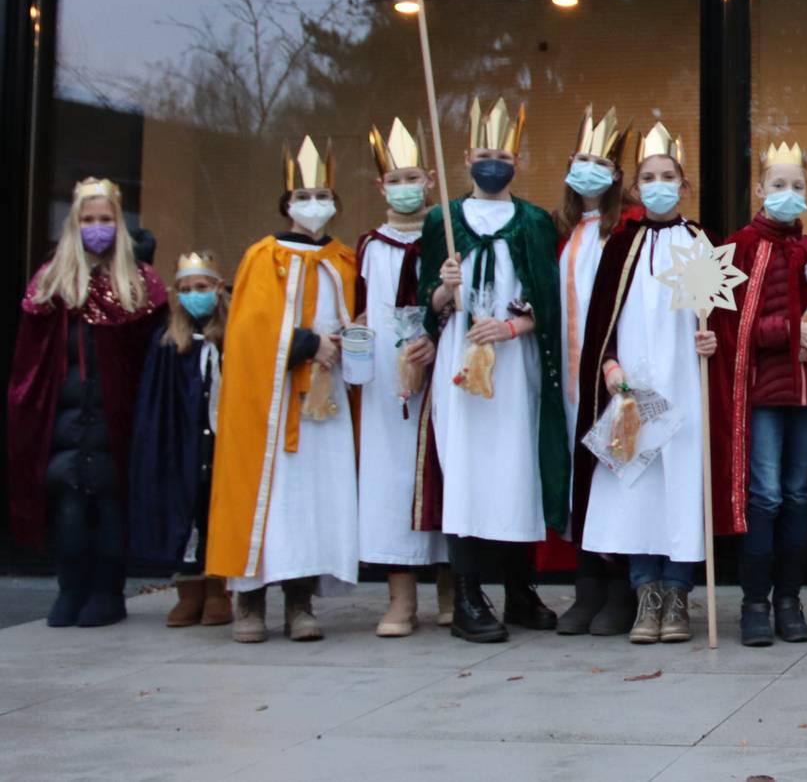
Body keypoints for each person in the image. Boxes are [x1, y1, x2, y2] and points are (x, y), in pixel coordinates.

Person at [419, 98, 569, 643]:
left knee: (514, 471)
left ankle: (519, 588)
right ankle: (466, 593)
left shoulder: (532, 221)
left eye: (502, 153)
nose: (493, 161)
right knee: (468, 472)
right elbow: (425, 306)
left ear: (516, 159)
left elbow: (548, 302)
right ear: (465, 157)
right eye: (484, 152)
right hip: (463, 369)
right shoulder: (442, 220)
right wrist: (444, 287)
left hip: (513, 368)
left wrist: (513, 329)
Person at [207, 140, 361, 642]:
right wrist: (310, 342)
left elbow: (358, 319)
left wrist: (350, 341)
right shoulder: (262, 256)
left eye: (322, 193)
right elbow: (249, 331)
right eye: (303, 193)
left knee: (311, 501)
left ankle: (300, 603)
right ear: (287, 202)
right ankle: (249, 603)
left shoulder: (342, 259)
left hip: (326, 402)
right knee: (266, 498)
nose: (313, 202)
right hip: (270, 402)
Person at [573, 124, 718, 644]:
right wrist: (609, 367)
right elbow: (601, 323)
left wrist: (710, 343)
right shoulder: (620, 247)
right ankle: (645, 596)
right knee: (635, 486)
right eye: (649, 177)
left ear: (683, 185)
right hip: (632, 391)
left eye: (668, 176)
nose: (659, 184)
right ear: (635, 187)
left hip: (683, 389)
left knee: (679, 485)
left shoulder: (701, 242)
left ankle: (677, 595)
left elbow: (717, 313)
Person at [8, 178, 166, 627]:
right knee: (70, 507)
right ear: (73, 226)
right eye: (88, 220)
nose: (97, 228)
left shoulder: (139, 284)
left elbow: (150, 358)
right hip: (63, 418)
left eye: (106, 220)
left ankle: (107, 591)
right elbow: (30, 360)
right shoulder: (51, 282)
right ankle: (70, 588)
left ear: (120, 224)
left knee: (111, 504)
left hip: (117, 417)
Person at [711, 140, 807, 647]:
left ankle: (790, 601)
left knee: (797, 497)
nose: (789, 194)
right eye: (779, 185)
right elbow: (730, 326)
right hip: (763, 395)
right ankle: (754, 605)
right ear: (760, 190)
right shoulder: (739, 247)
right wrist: (788, 330)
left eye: (798, 186)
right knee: (763, 497)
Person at [355, 120, 450, 637]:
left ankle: (451, 588)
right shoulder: (369, 246)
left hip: (441, 370)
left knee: (443, 472)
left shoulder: (449, 234)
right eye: (395, 179)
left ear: (431, 178)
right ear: (381, 187)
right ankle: (400, 596)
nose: (405, 186)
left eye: (413, 176)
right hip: (386, 385)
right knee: (392, 480)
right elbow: (361, 312)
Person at [554, 106, 637, 637]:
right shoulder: (562, 231)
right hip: (569, 378)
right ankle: (586, 589)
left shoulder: (626, 228)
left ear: (616, 175)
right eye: (582, 160)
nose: (590, 171)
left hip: (613, 371)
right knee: (579, 477)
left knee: (618, 470)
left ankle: (621, 592)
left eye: (600, 162)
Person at [130, 251, 230, 627]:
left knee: (215, 513)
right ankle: (189, 591)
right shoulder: (169, 341)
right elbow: (158, 401)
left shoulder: (230, 338)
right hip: (184, 444)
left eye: (202, 287)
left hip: (220, 444)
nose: (195, 295)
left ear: (218, 288)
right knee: (186, 514)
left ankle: (219, 590)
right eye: (186, 289)